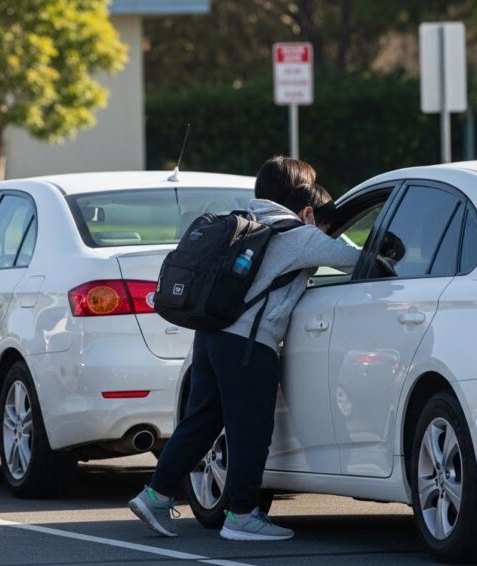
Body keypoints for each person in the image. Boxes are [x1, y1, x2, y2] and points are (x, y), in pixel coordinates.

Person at [129, 156, 362, 542]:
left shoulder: (246, 219)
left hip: (210, 335)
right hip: (249, 345)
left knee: (201, 421)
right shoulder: (299, 234)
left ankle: (155, 495)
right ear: (300, 197)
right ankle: (243, 515)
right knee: (250, 429)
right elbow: (355, 261)